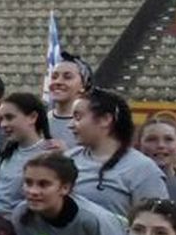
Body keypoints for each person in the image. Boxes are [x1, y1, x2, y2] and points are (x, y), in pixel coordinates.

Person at [67, 89, 167, 219]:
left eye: (78, 117)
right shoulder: (67, 159)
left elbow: (155, 223)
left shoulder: (143, 170)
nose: (70, 125)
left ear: (105, 119)